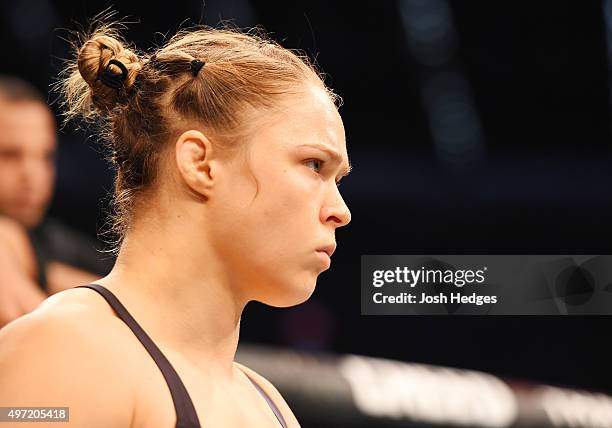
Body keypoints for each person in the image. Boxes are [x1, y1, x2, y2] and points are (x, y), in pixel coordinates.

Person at [0, 18, 351, 428]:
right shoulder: (69, 351)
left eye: (337, 179)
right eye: (314, 164)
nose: (340, 210)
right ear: (200, 163)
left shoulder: (269, 405)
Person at [0, 76, 111, 327]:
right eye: (9, 155)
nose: (31, 174)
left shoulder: (63, 244)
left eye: (45, 157)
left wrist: (46, 274)